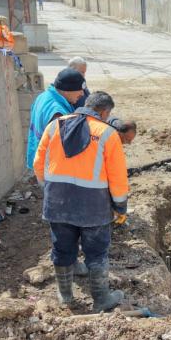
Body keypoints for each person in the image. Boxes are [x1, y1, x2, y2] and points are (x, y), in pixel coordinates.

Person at [33, 91, 129, 311]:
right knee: (96, 252)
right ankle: (101, 299)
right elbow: (117, 176)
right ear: (104, 112)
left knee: (62, 249)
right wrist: (120, 206)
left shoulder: (54, 126)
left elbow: (39, 163)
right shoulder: (107, 134)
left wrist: (49, 190)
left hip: (57, 203)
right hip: (93, 207)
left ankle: (65, 297)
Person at [26, 68, 85, 170]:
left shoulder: (44, 96)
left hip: (37, 157)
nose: (82, 94)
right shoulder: (58, 113)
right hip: (50, 167)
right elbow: (63, 148)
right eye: (79, 90)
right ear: (67, 91)